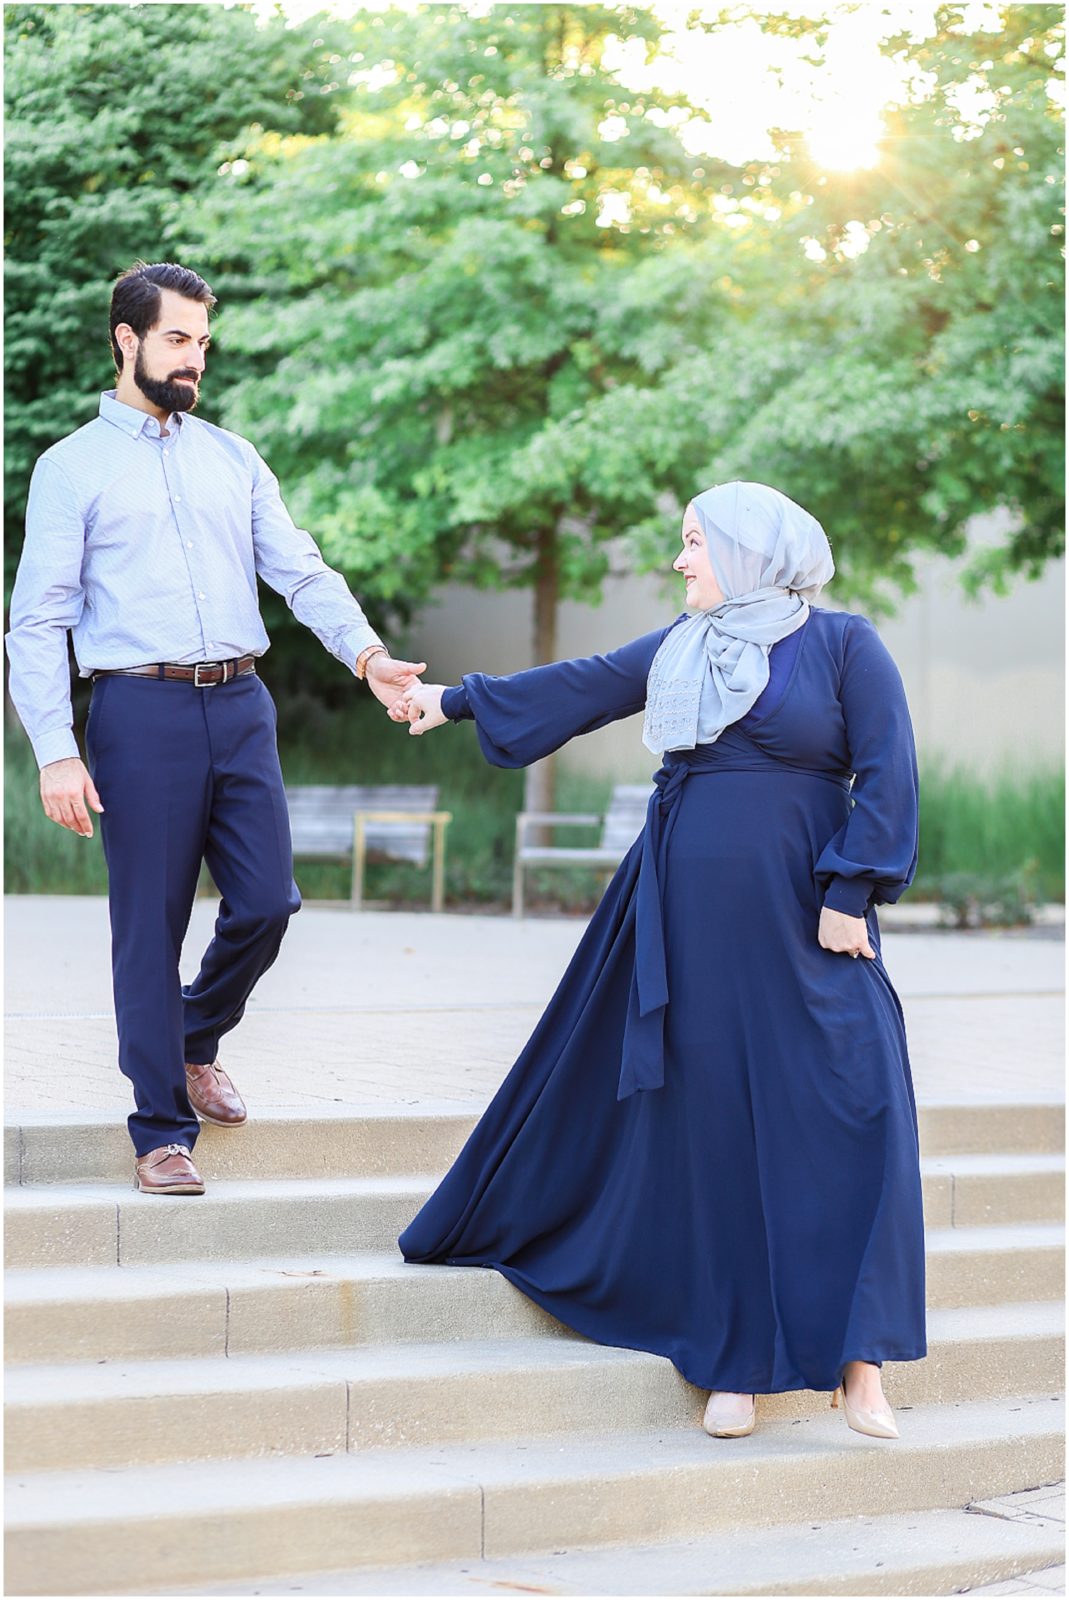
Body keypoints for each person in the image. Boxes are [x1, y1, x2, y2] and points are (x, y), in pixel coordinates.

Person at [393, 481, 925, 1441]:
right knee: (713, 1120)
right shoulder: (683, 646)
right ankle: (732, 1361)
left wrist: (853, 890)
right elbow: (588, 682)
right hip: (687, 918)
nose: (679, 561)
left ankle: (861, 1366)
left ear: (752, 550)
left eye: (694, 543)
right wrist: (447, 702)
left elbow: (889, 769)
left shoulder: (846, 645)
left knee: (858, 1105)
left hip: (808, 918)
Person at [5, 260, 425, 1196]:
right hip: (136, 710)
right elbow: (35, 621)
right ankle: (160, 1129)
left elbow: (302, 571)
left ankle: (195, 1035)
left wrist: (367, 657)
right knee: (147, 927)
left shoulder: (232, 457)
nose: (194, 358)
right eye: (177, 340)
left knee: (269, 900)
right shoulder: (71, 467)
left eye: (203, 341)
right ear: (128, 340)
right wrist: (56, 750)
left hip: (240, 704)